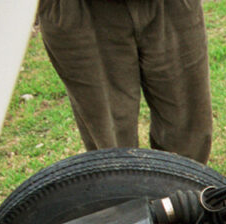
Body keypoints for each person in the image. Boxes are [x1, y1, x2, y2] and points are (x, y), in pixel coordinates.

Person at [36, 0, 213, 164]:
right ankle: (125, 196)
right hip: (82, 10)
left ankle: (186, 193)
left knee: (189, 134)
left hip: (169, 6)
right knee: (112, 149)